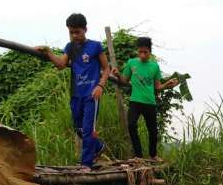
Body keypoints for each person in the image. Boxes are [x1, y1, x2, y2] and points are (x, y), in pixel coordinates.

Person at [36, 13, 110, 171]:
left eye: (78, 32)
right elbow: (61, 64)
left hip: (92, 94)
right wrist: (48, 52)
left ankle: (86, 163)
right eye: (71, 32)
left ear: (85, 29)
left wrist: (100, 86)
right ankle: (98, 145)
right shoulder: (70, 48)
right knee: (79, 128)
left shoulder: (95, 46)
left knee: (88, 128)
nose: (74, 35)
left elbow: (106, 68)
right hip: (76, 95)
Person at [111, 36, 179, 161]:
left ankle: (153, 155)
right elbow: (124, 81)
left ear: (150, 52)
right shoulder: (131, 63)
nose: (142, 55)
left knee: (153, 130)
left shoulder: (154, 66)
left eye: (145, 52)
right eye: (140, 52)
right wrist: (118, 75)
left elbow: (157, 87)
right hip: (135, 101)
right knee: (131, 125)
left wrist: (167, 84)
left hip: (149, 102)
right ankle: (138, 155)